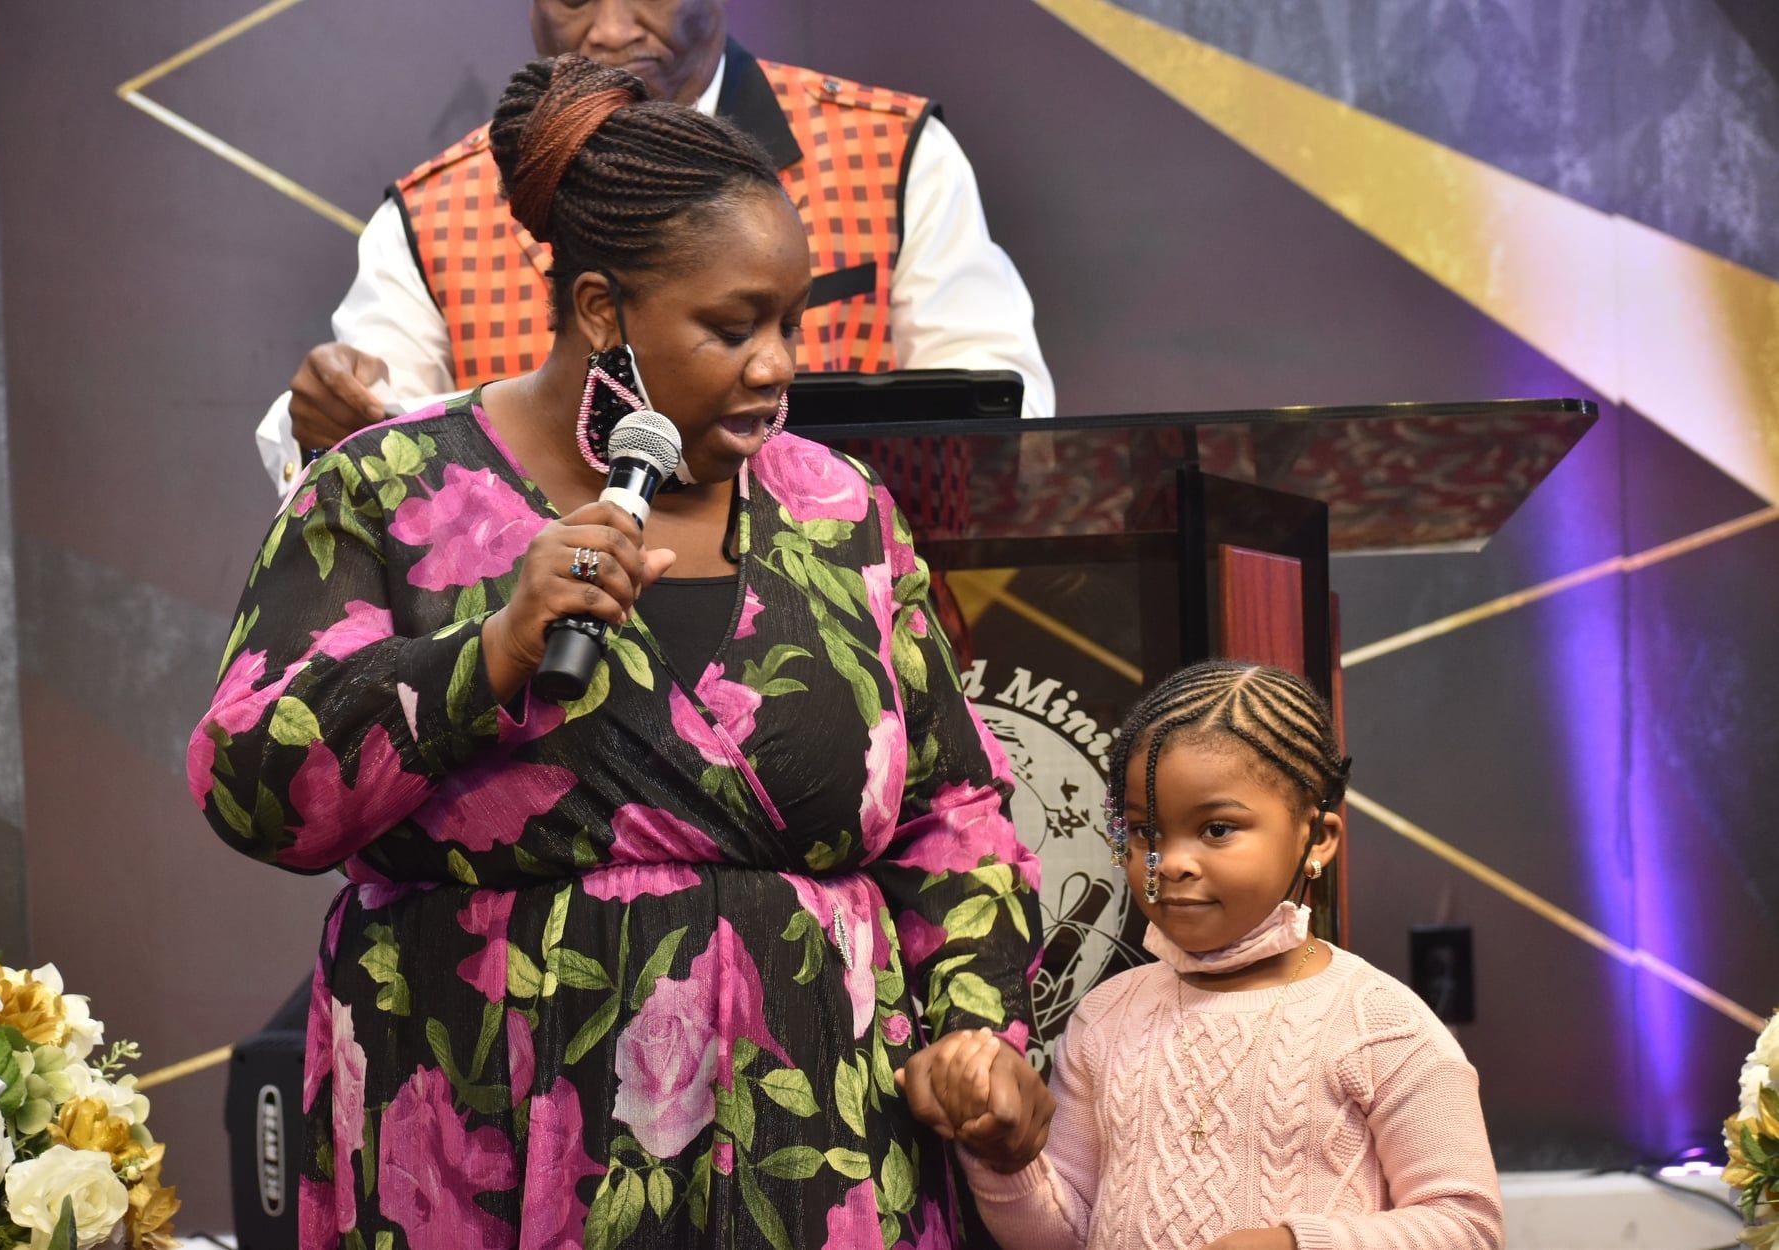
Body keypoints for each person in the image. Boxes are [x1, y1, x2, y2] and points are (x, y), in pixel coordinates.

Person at [188, 54, 1043, 1248]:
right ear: (602, 311)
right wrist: (484, 657)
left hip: (816, 1157)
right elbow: (253, 784)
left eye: (789, 321)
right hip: (492, 1148)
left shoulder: (838, 509)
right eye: (732, 326)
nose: (778, 365)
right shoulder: (388, 487)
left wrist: (969, 1023)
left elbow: (954, 806)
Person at [255, 0, 1054, 492]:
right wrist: (324, 423)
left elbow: (1003, 430)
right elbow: (368, 432)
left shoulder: (892, 155)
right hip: (546, 689)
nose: (607, 29)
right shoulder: (434, 212)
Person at [910, 661, 1505, 1250]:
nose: (1170, 863)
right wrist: (1001, 1157)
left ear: (1316, 839)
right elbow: (1062, 1236)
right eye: (1146, 833)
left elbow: (1468, 1228)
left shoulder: (1381, 1026)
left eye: (1217, 829)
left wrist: (1296, 1245)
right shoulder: (1106, 1017)